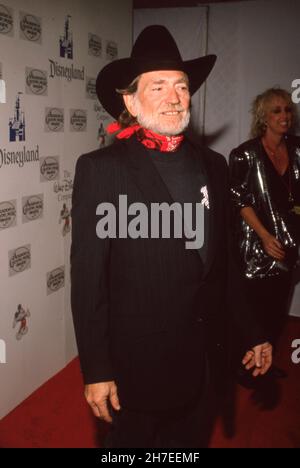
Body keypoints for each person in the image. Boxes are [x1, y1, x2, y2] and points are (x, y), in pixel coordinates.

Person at [71, 25, 272, 448]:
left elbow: (225, 265)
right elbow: (89, 281)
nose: (174, 96)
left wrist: (252, 330)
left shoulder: (214, 165)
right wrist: (97, 368)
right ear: (130, 99)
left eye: (181, 86)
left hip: (204, 360)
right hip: (137, 365)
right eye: (157, 86)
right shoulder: (100, 169)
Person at [229, 88, 300, 377]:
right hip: (255, 248)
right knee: (251, 311)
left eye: (287, 109)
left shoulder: (296, 149)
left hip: (288, 246)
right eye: (276, 111)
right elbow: (237, 199)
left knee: (276, 311)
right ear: (263, 118)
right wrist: (264, 236)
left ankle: (264, 363)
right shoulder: (244, 155)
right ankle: (243, 368)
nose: (284, 116)